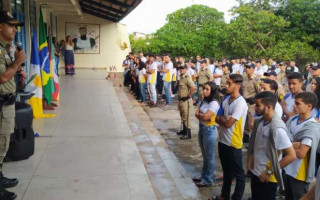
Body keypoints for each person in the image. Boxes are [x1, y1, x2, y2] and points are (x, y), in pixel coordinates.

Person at [247, 91, 296, 200]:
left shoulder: (277, 129)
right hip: (256, 172)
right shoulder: (260, 122)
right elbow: (257, 143)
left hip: (268, 178)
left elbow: (291, 155)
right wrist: (251, 157)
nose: (255, 108)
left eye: (258, 105)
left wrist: (269, 171)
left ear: (269, 107)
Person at [0, 11, 26, 200]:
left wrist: (19, 70)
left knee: (3, 144)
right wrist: (18, 62)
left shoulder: (5, 48)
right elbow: (2, 77)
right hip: (1, 106)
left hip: (7, 103)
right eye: (11, 26)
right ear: (0, 26)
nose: (15, 30)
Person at [214, 74, 248, 200]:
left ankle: (237, 197)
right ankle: (225, 195)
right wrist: (223, 119)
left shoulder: (241, 103)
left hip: (233, 142)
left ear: (237, 86)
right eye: (226, 83)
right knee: (226, 171)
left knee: (238, 173)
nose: (226, 86)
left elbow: (228, 124)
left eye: (229, 84)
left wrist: (223, 120)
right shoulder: (226, 99)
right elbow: (216, 118)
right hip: (223, 140)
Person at [284, 92, 320, 200]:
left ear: (309, 106)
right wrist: (293, 145)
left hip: (299, 173)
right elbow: (279, 141)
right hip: (287, 167)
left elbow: (301, 153)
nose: (294, 106)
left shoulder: (311, 127)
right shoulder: (292, 120)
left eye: (297, 103)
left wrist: (287, 144)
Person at [193, 81, 220, 187]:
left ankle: (208, 179)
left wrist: (201, 115)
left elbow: (205, 117)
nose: (204, 91)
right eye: (204, 88)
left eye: (207, 89)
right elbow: (197, 114)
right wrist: (202, 115)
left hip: (210, 130)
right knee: (204, 155)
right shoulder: (204, 100)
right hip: (202, 128)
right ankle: (203, 176)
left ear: (212, 90)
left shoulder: (214, 103)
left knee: (209, 156)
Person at [177, 65, 196, 140]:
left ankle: (188, 134)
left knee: (186, 117)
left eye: (182, 69)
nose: (181, 70)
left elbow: (193, 87)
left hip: (186, 100)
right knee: (182, 115)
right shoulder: (181, 77)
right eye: (180, 69)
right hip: (181, 99)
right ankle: (184, 131)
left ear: (186, 69)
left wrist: (189, 96)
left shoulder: (187, 77)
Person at [243, 63, 259, 142]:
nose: (247, 69)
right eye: (246, 67)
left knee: (250, 120)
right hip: (244, 102)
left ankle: (251, 138)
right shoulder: (244, 78)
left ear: (253, 69)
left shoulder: (256, 79)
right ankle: (246, 137)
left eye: (249, 68)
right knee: (244, 119)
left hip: (251, 103)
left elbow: (259, 91)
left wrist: (255, 99)